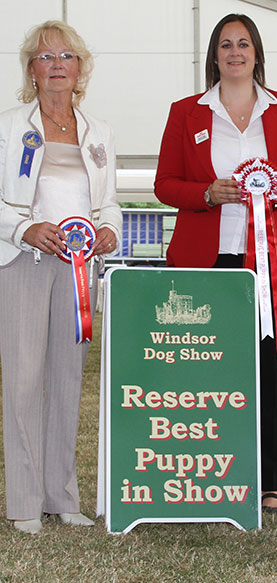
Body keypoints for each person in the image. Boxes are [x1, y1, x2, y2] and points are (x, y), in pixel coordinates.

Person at [155, 13, 277, 511]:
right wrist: (206, 192)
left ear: (256, 53)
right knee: (205, 364)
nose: (234, 52)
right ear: (214, 55)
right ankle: (208, 469)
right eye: (225, 44)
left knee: (272, 365)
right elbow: (164, 184)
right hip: (206, 259)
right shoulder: (186, 112)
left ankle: (272, 482)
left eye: (243, 43)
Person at [0, 21, 122, 534]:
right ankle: (25, 502)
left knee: (68, 381)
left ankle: (62, 495)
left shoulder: (100, 132)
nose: (56, 64)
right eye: (45, 56)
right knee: (24, 381)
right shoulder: (9, 126)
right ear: (31, 68)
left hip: (78, 269)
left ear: (80, 68)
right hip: (23, 265)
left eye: (66, 56)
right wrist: (25, 228)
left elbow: (109, 202)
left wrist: (110, 231)